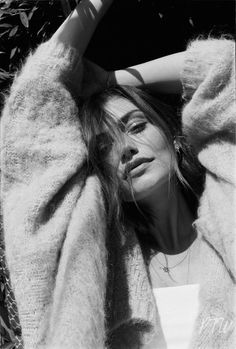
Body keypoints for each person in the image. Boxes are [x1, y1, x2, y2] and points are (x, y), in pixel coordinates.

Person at [0, 0, 235, 348]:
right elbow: (28, 117)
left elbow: (226, 70)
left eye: (136, 126)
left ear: (173, 137)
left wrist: (110, 79)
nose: (125, 148)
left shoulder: (228, 211)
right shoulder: (105, 267)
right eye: (103, 148)